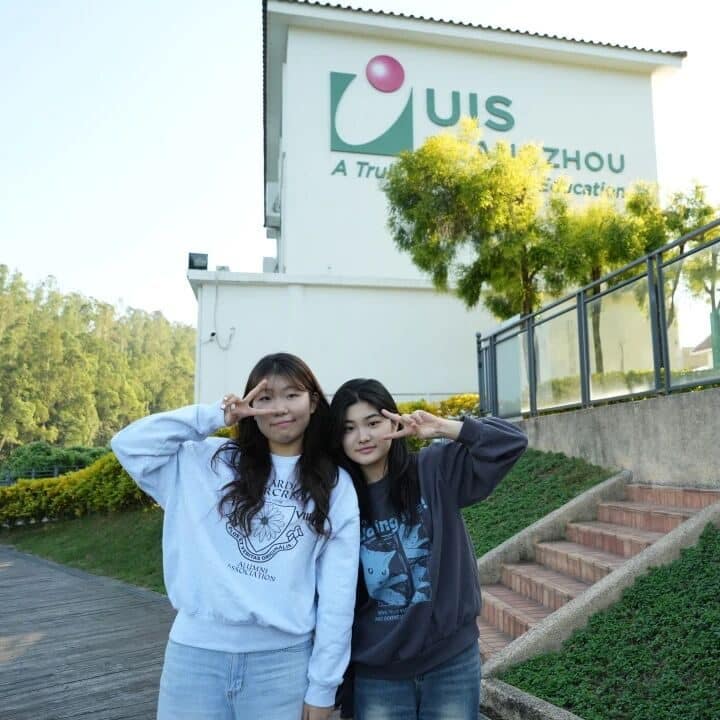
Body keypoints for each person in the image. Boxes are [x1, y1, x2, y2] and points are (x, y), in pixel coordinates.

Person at [111, 353, 360, 720]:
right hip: (194, 659)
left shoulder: (333, 485)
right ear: (250, 407)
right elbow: (129, 444)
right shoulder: (208, 463)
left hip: (282, 666)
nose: (280, 408)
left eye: (292, 395)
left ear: (312, 402)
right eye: (266, 398)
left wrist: (323, 688)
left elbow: (338, 597)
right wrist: (217, 415)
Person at [328, 378, 527, 720]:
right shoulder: (338, 498)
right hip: (378, 671)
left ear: (394, 422)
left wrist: (443, 427)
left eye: (373, 423)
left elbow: (511, 442)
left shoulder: (433, 469)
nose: (362, 436)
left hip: (449, 662)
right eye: (349, 428)